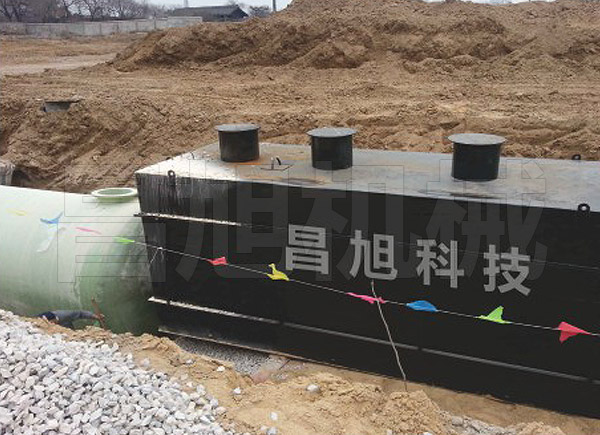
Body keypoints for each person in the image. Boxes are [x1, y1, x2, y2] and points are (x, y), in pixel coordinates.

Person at [38, 310, 105, 329]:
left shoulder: (64, 315)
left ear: (54, 319)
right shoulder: (39, 320)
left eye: (50, 322)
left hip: (67, 328)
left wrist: (94, 316)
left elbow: (80, 313)